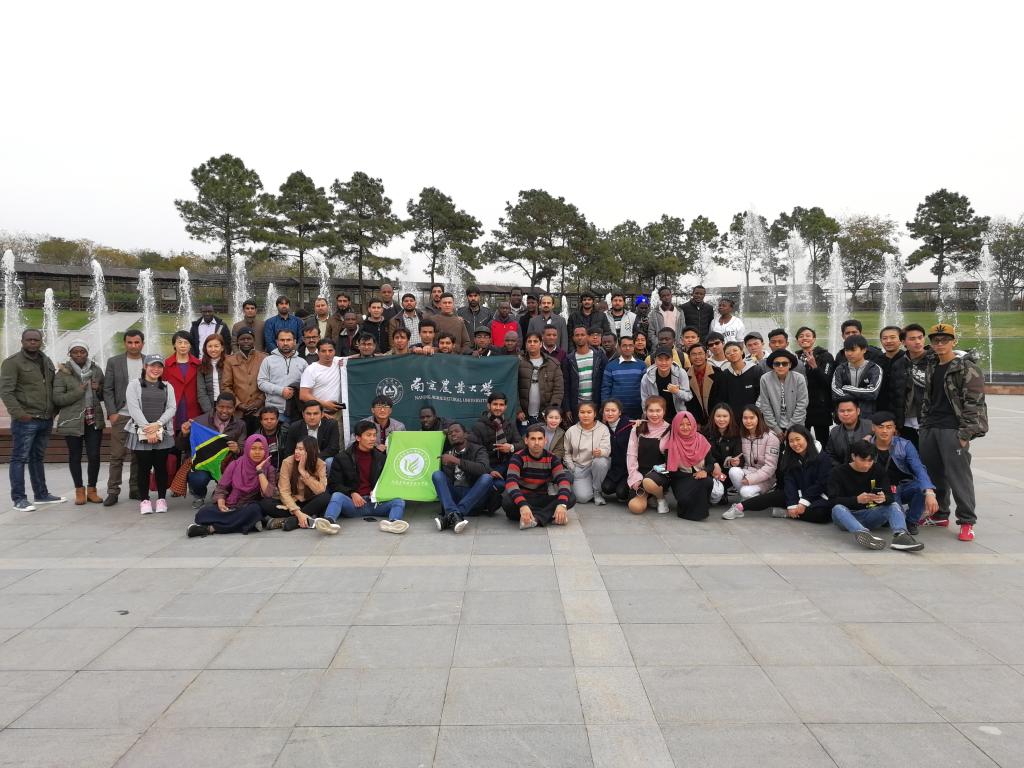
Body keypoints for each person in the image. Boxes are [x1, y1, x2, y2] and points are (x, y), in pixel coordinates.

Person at [917, 323, 988, 541]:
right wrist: (924, 425)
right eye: (936, 340)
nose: (940, 344)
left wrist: (965, 434)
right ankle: (940, 514)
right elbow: (928, 398)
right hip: (931, 428)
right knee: (934, 474)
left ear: (953, 342)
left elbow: (974, 403)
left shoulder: (966, 367)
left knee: (959, 477)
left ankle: (967, 521)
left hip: (953, 429)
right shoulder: (932, 365)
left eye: (945, 340)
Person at [827, 440, 923, 551]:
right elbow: (832, 501)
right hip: (846, 516)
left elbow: (890, 496)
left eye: (870, 461)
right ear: (853, 456)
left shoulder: (878, 470)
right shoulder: (837, 472)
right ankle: (863, 534)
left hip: (870, 514)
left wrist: (883, 498)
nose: (866, 465)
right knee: (837, 508)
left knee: (893, 505)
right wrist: (856, 500)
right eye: (862, 460)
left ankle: (901, 536)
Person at [324, 420, 409, 534]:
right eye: (368, 435)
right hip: (354, 504)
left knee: (399, 501)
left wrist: (379, 492)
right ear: (358, 438)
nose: (373, 439)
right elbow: (334, 484)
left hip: (376, 503)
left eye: (374, 435)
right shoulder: (342, 458)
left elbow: (387, 481)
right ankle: (329, 522)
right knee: (337, 496)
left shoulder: (381, 458)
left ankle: (393, 523)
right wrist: (352, 493)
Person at [187, 434, 279, 538]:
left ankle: (211, 529)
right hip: (230, 505)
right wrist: (221, 502)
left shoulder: (269, 469)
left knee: (255, 511)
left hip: (248, 507)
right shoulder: (235, 464)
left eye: (261, 449)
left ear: (266, 450)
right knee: (202, 514)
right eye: (253, 448)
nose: (257, 452)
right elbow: (221, 487)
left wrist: (260, 471)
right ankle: (248, 524)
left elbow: (268, 494)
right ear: (247, 449)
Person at [865, 411, 938, 536]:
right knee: (896, 516)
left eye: (889, 427)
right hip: (880, 489)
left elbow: (919, 468)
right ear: (873, 428)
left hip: (903, 486)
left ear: (894, 428)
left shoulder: (904, 445)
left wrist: (929, 492)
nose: (885, 431)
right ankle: (896, 521)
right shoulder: (866, 446)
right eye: (880, 427)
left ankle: (912, 521)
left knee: (921, 487)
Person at [52, 341, 105, 505]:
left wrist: (98, 389)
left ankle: (92, 490)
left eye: (82, 351)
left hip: (93, 417)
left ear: (87, 353)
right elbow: (58, 399)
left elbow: (104, 394)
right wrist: (79, 390)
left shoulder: (96, 370)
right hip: (72, 420)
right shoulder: (62, 373)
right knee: (75, 456)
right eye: (75, 352)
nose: (79, 355)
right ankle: (79, 490)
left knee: (94, 455)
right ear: (70, 354)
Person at [125, 354, 177, 515]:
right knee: (143, 468)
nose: (156, 369)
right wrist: (148, 429)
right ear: (145, 367)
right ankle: (145, 500)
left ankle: (161, 499)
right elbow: (133, 408)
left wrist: (158, 424)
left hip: (162, 432)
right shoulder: (134, 385)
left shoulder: (167, 386)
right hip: (141, 433)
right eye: (152, 365)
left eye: (159, 366)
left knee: (161, 467)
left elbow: (172, 408)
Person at [179, 392, 247, 506]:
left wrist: (237, 449)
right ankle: (199, 495)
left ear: (234, 409)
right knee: (198, 479)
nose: (224, 411)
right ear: (216, 406)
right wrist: (184, 434)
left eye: (229, 408)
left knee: (233, 482)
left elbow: (243, 447)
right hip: (204, 463)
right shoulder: (199, 422)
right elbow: (182, 447)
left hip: (226, 463)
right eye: (221, 407)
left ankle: (219, 492)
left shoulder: (240, 425)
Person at [503, 423, 575, 529]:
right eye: (533, 439)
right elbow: (511, 482)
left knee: (571, 497)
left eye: (540, 439)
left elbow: (562, 480)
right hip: (523, 496)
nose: (537, 443)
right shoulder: (517, 457)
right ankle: (549, 516)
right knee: (507, 501)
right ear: (526, 440)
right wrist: (523, 505)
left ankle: (535, 519)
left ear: (545, 440)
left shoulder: (552, 458)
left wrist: (561, 504)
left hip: (541, 498)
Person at [102, 329, 145, 505]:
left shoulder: (149, 361)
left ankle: (135, 488)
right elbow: (107, 389)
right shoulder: (114, 362)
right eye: (130, 342)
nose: (133, 346)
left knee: (138, 455)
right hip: (121, 415)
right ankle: (113, 491)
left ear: (142, 343)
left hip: (142, 416)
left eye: (137, 342)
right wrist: (112, 413)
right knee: (117, 455)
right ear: (125, 343)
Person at [267, 436, 338, 533]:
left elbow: (321, 489)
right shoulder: (287, 462)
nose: (296, 452)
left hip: (310, 501)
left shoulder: (320, 464)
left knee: (325, 497)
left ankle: (292, 521)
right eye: (296, 448)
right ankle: (305, 518)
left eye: (301, 449)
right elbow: (284, 492)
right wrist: (298, 513)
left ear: (310, 451)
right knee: (265, 503)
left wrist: (302, 471)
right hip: (293, 502)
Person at [431, 422, 492, 533]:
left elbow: (483, 468)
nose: (453, 434)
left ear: (466, 434)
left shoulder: (478, 449)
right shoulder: (447, 454)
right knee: (437, 475)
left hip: (473, 497)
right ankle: (455, 515)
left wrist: (456, 461)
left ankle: (450, 516)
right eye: (450, 433)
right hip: (454, 496)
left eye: (457, 431)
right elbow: (444, 485)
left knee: (487, 478)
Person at [721, 405, 780, 519]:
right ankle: (746, 500)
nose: (748, 421)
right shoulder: (742, 435)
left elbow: (770, 467)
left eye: (752, 418)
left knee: (746, 492)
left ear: (759, 418)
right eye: (745, 418)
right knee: (733, 471)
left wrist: (750, 479)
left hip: (766, 477)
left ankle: (748, 499)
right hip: (748, 471)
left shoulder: (771, 437)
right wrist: (731, 461)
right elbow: (735, 457)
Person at [663, 411, 715, 521]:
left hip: (700, 477)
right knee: (685, 499)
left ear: (693, 424)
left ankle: (701, 509)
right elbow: (672, 472)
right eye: (681, 424)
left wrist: (705, 471)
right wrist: (692, 477)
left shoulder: (701, 440)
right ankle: (685, 510)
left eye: (688, 424)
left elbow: (711, 463)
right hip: (681, 480)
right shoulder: (671, 444)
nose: (685, 427)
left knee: (707, 481)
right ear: (675, 426)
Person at [625, 396, 672, 514]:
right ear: (645, 411)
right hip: (640, 472)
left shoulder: (670, 430)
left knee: (649, 482)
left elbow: (671, 458)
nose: (654, 414)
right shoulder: (638, 428)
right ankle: (650, 497)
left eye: (658, 410)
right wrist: (634, 476)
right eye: (651, 411)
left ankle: (660, 498)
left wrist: (656, 470)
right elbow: (631, 454)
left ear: (664, 411)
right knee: (635, 507)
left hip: (660, 472)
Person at [471, 391, 523, 493]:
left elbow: (521, 444)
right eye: (495, 404)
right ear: (488, 405)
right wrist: (490, 471)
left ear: (505, 407)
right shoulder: (478, 426)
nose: (498, 408)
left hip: (507, 465)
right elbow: (474, 454)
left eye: (501, 405)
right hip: (488, 467)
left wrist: (510, 447)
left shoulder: (510, 424)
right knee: (499, 486)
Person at [794, 326, 835, 445]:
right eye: (801, 336)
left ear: (814, 339)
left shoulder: (826, 356)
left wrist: (814, 366)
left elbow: (827, 381)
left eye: (808, 336)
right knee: (802, 441)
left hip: (820, 407)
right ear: (797, 340)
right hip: (802, 408)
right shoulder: (795, 358)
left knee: (823, 442)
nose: (804, 338)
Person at [220, 328, 267, 435]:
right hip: (238, 412)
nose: (246, 341)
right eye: (242, 339)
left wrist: (259, 402)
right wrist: (238, 404)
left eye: (249, 339)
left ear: (254, 340)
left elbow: (268, 383)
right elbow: (226, 386)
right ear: (237, 341)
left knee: (257, 439)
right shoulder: (230, 360)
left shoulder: (264, 358)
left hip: (259, 410)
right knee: (239, 439)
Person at [563, 402, 611, 504]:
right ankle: (577, 483)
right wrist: (572, 467)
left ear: (595, 414)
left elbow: (607, 449)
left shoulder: (603, 428)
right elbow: (567, 453)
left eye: (589, 412)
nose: (585, 415)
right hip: (579, 467)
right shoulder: (571, 431)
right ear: (578, 414)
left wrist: (601, 452)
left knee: (601, 462)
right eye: (582, 412)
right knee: (583, 498)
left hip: (596, 464)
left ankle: (597, 491)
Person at [257, 329, 307, 425]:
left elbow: (307, 385)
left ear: (295, 342)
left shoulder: (302, 362)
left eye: (288, 340)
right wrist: (281, 391)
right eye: (282, 340)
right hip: (274, 411)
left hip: (296, 411)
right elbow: (261, 383)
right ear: (277, 342)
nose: (285, 343)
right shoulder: (268, 360)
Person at [891, 323, 930, 447]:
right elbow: (895, 395)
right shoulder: (898, 364)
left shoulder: (934, 360)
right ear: (903, 342)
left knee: (929, 455)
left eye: (920, 337)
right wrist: (896, 423)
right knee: (910, 455)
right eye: (912, 339)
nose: (917, 342)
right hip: (906, 421)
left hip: (928, 419)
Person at [756, 348, 808, 438]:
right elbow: (765, 405)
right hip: (773, 425)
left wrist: (791, 427)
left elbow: (802, 404)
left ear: (790, 365)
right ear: (773, 365)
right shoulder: (765, 379)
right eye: (777, 364)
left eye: (784, 363)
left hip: (796, 424)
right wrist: (775, 428)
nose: (780, 366)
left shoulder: (799, 378)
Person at [517, 332, 564, 427]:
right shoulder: (518, 363)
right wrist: (518, 410)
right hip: (523, 416)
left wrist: (550, 412)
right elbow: (513, 388)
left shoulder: (553, 363)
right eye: (529, 341)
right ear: (525, 344)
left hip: (544, 417)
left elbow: (558, 390)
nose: (532, 344)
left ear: (541, 344)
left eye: (535, 341)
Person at [831, 334, 883, 417]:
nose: (849, 353)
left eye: (853, 350)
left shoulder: (874, 368)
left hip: (866, 416)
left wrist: (846, 388)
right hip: (845, 415)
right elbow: (835, 393)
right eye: (847, 350)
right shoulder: (840, 369)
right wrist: (861, 393)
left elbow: (872, 393)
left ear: (864, 350)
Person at [562, 325, 606, 420]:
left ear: (588, 336)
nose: (580, 337)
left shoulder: (599, 357)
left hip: (596, 405)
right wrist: (567, 408)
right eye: (577, 335)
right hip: (577, 406)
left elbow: (605, 383)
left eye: (582, 334)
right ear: (573, 338)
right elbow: (566, 385)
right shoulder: (569, 359)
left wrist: (604, 405)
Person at [163, 331, 202, 433]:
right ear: (174, 345)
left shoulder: (198, 364)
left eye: (186, 343)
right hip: (174, 408)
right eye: (179, 342)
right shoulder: (166, 364)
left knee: (192, 435)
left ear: (190, 345)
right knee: (174, 435)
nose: (183, 346)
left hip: (193, 408)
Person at [640, 346, 692, 422]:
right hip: (656, 418)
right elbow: (644, 401)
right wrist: (649, 418)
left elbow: (688, 397)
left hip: (678, 416)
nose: (663, 363)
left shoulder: (681, 373)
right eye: (660, 359)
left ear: (672, 360)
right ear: (655, 360)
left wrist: (677, 391)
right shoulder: (646, 377)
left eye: (667, 359)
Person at [282, 400, 341, 466]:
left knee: (330, 461)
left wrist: (312, 459)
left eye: (315, 413)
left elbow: (333, 449)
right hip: (300, 460)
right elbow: (289, 451)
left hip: (322, 459)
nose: (312, 417)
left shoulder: (331, 425)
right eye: (308, 414)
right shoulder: (295, 427)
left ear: (322, 414)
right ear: (303, 415)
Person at [703, 404, 741, 505]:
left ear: (730, 417)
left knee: (718, 495)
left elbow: (738, 455)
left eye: (725, 416)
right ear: (713, 417)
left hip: (726, 472)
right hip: (709, 469)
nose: (721, 419)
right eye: (718, 416)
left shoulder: (737, 434)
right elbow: (703, 453)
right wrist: (714, 464)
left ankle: (723, 490)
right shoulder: (705, 433)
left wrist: (734, 461)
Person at [600, 335, 645, 419]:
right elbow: (606, 389)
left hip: (638, 410)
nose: (628, 348)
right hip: (616, 412)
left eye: (630, 345)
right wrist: (605, 409)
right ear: (619, 347)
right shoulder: (610, 366)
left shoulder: (642, 365)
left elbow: (646, 388)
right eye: (624, 345)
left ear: (634, 347)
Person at [298, 339, 344, 419]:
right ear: (318, 352)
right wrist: (324, 404)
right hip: (319, 414)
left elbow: (357, 357)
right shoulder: (311, 370)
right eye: (323, 351)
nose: (327, 354)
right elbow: (303, 395)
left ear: (334, 351)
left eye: (330, 351)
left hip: (339, 413)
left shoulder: (338, 361)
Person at [600, 398, 634, 503]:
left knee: (621, 493)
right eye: (607, 410)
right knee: (606, 488)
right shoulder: (602, 428)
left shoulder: (630, 425)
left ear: (619, 412)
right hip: (615, 469)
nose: (610, 413)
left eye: (613, 410)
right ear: (603, 412)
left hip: (629, 469)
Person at [716, 341, 761, 416]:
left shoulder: (755, 370)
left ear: (742, 352)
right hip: (733, 417)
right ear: (725, 356)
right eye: (728, 353)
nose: (732, 353)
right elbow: (722, 399)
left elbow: (762, 394)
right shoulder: (724, 375)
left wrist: (756, 411)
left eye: (735, 350)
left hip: (753, 416)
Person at [825, 398, 873, 464]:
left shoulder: (871, 427)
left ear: (858, 411)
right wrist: (840, 468)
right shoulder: (834, 432)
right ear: (837, 413)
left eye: (849, 410)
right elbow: (830, 455)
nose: (846, 414)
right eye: (842, 411)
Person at [875, 325, 906, 412]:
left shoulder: (907, 360)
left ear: (901, 340)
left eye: (892, 337)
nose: (888, 341)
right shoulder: (876, 362)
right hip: (881, 410)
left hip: (903, 410)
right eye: (884, 338)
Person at [686, 343, 718, 426]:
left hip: (716, 419)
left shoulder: (717, 373)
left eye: (700, 353)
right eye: (694, 354)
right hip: (695, 421)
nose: (697, 357)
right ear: (689, 357)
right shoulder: (685, 375)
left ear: (706, 355)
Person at [196, 334, 227, 414]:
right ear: (205, 348)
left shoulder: (229, 363)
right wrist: (209, 411)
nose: (213, 349)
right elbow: (201, 391)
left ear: (222, 348)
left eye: (216, 346)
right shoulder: (201, 366)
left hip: (228, 404)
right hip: (210, 404)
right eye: (209, 346)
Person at [254, 406, 286, 471]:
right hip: (262, 471)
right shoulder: (256, 437)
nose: (269, 421)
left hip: (281, 471)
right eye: (265, 419)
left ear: (277, 420)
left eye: (272, 419)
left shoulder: (285, 433)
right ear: (261, 421)